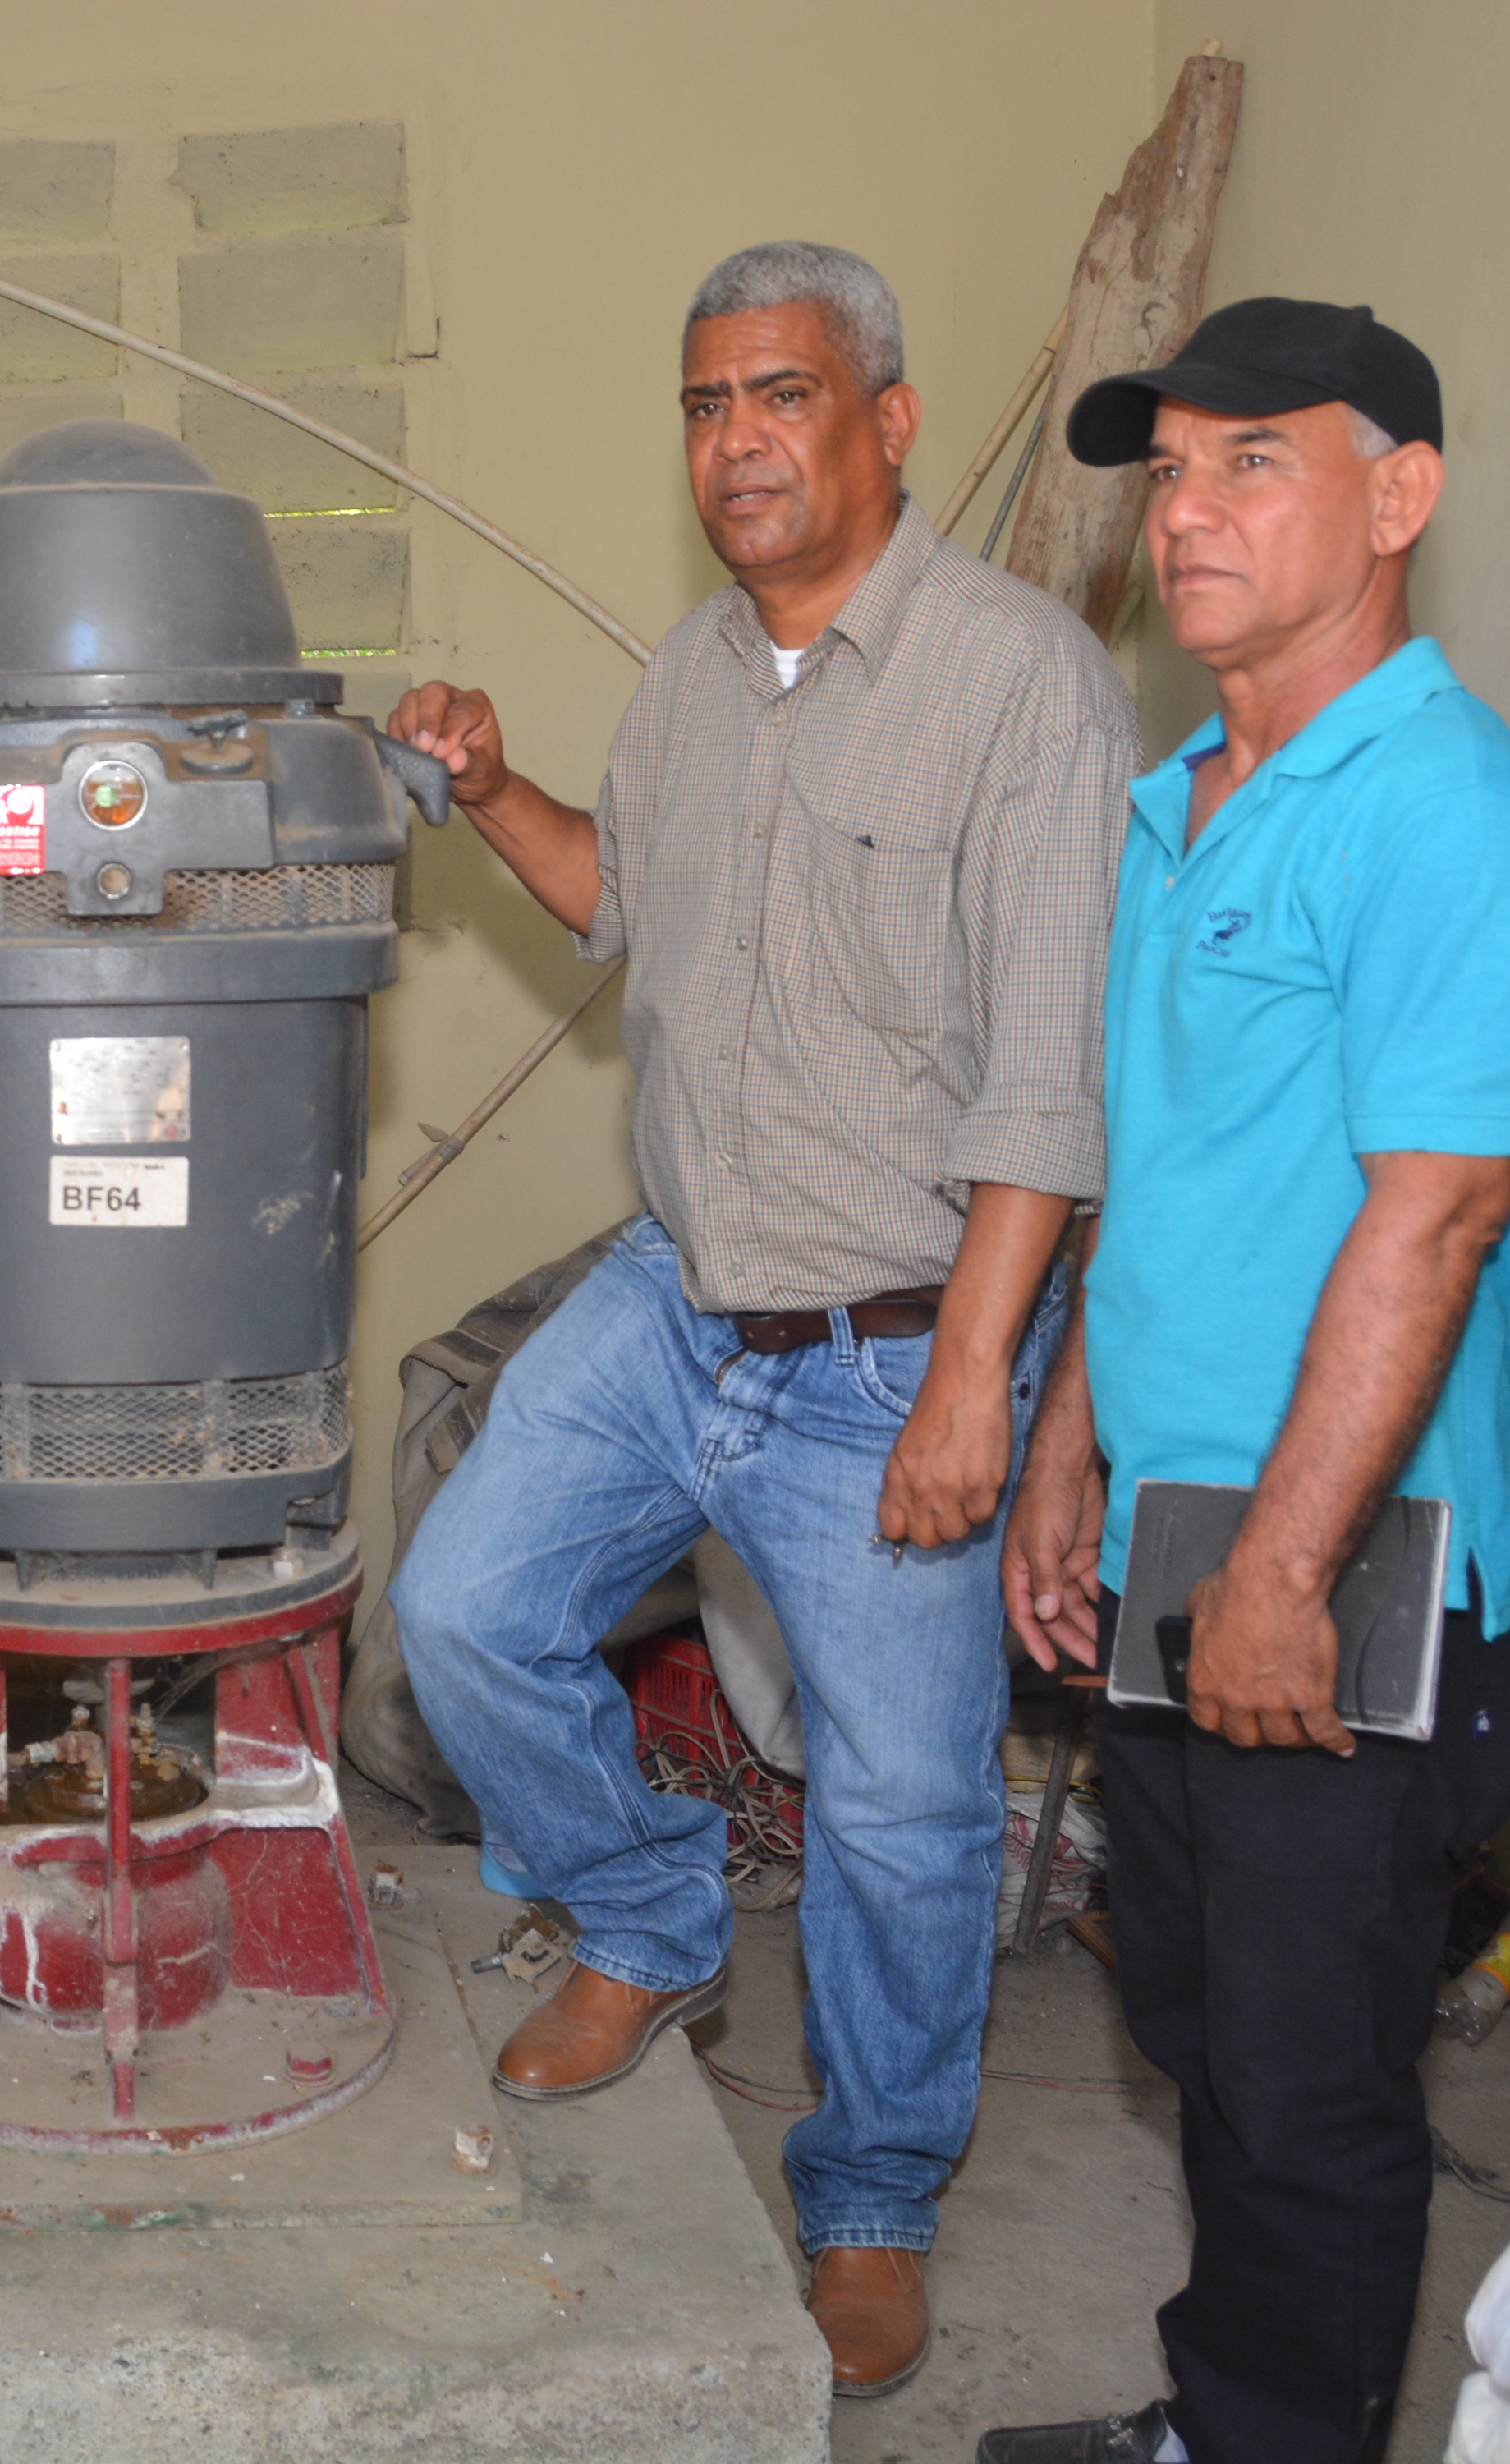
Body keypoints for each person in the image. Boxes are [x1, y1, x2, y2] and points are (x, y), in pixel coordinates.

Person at [379, 240, 1138, 2398]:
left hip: (897, 1340)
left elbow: (1049, 1086)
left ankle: (873, 2196)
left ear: (888, 421)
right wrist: (492, 787)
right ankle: (649, 1916)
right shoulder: (696, 680)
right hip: (677, 1296)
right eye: (707, 404)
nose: (736, 443)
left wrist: (979, 1381)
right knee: (461, 1610)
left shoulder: (1019, 687)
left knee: (901, 1811)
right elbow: (621, 903)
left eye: (781, 396)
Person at [984, 299, 1510, 2464]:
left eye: (1255, 461)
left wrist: (1276, 1575)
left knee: (1306, 2081)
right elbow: (1163, 1182)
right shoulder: (1184, 804)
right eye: (1170, 470)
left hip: (1357, 1575)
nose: (1188, 512)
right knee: (1200, 2025)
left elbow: (1429, 1226)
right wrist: (1066, 1442)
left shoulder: (1446, 813)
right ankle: (1225, 2414)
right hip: (1191, 1537)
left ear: (1399, 495)